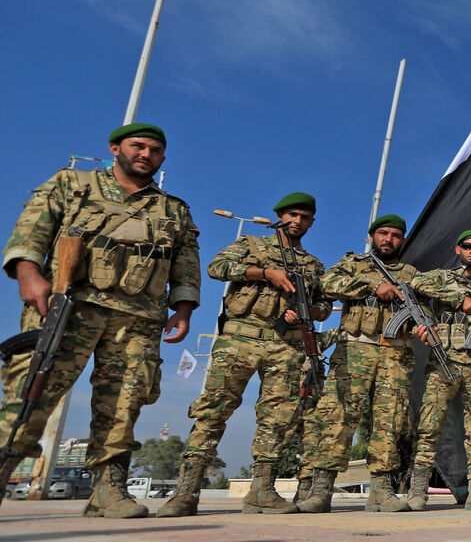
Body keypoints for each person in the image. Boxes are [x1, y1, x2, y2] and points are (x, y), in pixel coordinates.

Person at [0, 123, 200, 518]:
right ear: (115, 148)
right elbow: (32, 230)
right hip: (69, 305)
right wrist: (28, 273)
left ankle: (108, 490)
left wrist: (184, 308)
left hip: (139, 316)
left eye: (155, 150)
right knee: (34, 389)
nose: (146, 154)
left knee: (124, 404)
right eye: (138, 146)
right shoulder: (73, 183)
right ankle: (5, 465)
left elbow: (185, 263)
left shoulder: (173, 209)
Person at [161, 192, 328, 516]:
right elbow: (216, 267)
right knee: (213, 411)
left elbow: (322, 305)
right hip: (240, 338)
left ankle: (262, 491)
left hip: (285, 345)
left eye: (305, 217)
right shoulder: (251, 245)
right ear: (279, 215)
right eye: (292, 214)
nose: (297, 221)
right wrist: (265, 274)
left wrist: (309, 313)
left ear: (311, 223)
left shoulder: (313, 265)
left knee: (278, 419)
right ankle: (186, 492)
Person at [292, 214, 429, 514]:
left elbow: (427, 308)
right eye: (383, 233)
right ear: (371, 237)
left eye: (395, 235)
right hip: (355, 350)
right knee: (337, 419)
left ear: (402, 240)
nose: (388, 240)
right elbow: (327, 284)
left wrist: (425, 327)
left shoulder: (412, 274)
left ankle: (381, 491)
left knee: (390, 423)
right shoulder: (353, 264)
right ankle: (321, 490)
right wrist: (371, 285)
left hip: (396, 354)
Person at [405, 229, 471, 511]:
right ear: (458, 249)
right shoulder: (441, 278)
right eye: (468, 246)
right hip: (444, 360)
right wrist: (458, 299)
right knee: (429, 425)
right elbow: (413, 282)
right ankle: (417, 491)